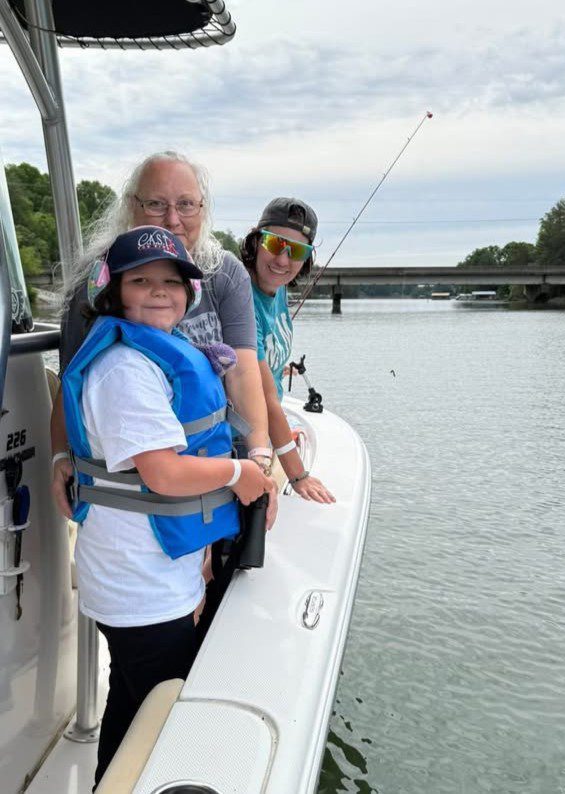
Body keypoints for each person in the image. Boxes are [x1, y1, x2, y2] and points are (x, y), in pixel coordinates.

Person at [58, 225, 274, 788]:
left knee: (133, 705)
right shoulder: (125, 370)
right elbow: (164, 472)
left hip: (149, 572)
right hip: (140, 588)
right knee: (157, 717)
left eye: (173, 282)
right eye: (141, 280)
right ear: (113, 292)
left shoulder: (151, 355)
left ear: (190, 293)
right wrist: (241, 474)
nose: (160, 290)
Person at [51, 151, 271, 517]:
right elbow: (72, 378)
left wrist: (259, 455)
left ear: (202, 208)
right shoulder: (97, 282)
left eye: (186, 204)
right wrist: (60, 455)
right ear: (131, 206)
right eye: (156, 204)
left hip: (221, 468)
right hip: (132, 484)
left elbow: (243, 371)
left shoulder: (226, 273)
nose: (172, 219)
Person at [240, 198, 335, 503]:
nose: (283, 260)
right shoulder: (241, 299)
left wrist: (277, 368)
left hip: (271, 430)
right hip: (244, 440)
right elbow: (263, 397)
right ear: (256, 241)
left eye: (296, 251)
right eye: (275, 243)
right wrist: (298, 475)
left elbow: (259, 357)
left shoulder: (278, 289)